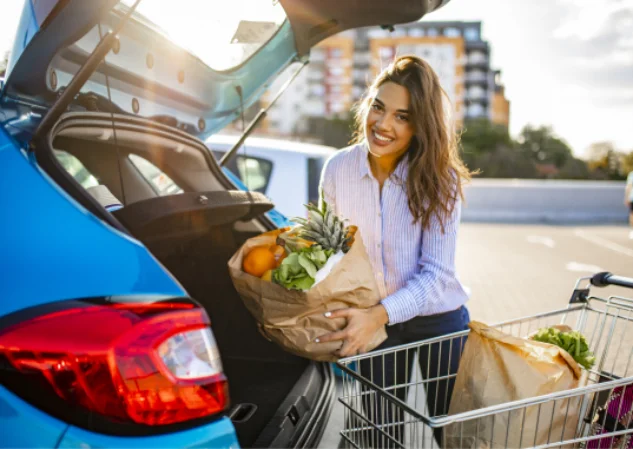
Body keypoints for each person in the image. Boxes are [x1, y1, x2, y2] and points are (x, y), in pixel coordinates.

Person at [316, 55, 473, 445]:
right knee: (378, 434)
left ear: (420, 125)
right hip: (374, 321)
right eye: (379, 107)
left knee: (453, 435)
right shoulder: (338, 169)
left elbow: (436, 275)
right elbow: (330, 249)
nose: (383, 125)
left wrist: (380, 315)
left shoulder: (441, 180)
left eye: (402, 116)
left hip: (439, 321)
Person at [626, 170, 633, 237]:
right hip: (632, 198)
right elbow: (629, 186)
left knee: (632, 214)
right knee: (632, 214)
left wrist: (626, 197)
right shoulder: (631, 174)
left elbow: (629, 187)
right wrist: (627, 197)